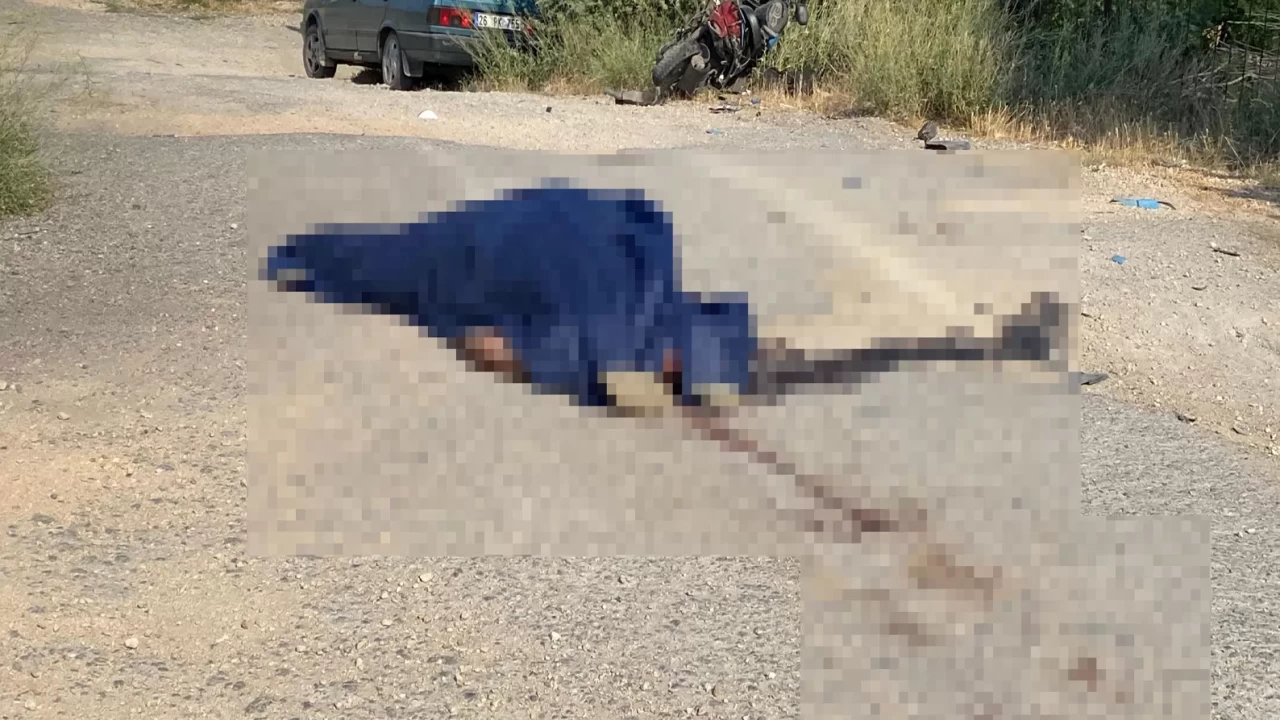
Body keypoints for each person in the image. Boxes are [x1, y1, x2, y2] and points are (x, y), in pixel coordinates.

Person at [261, 182, 1067, 418]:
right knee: (833, 344)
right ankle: (995, 338)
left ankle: (995, 338)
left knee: (832, 345)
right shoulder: (458, 256)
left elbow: (507, 345)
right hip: (656, 327)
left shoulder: (446, 267)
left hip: (657, 333)